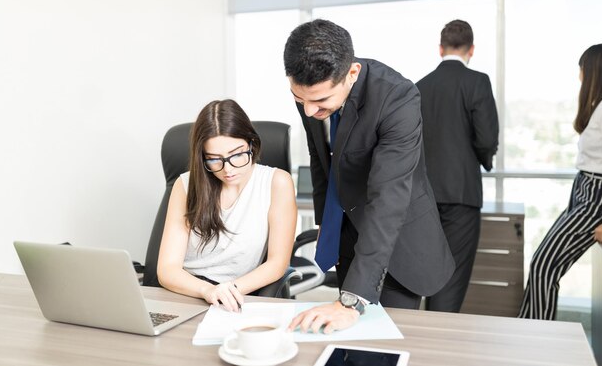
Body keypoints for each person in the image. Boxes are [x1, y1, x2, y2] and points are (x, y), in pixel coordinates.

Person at [284, 19, 455, 334]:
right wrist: (326, 225)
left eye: (320, 102)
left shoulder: (397, 98)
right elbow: (322, 160)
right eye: (300, 98)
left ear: (352, 74)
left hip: (395, 240)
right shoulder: (311, 93)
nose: (308, 111)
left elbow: (388, 198)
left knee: (384, 345)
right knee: (349, 341)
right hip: (347, 230)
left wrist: (353, 300)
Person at [157, 99, 297, 312]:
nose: (228, 169)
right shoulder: (185, 184)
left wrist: (227, 291)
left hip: (237, 295)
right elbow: (167, 269)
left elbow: (277, 263)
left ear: (252, 143)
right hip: (189, 292)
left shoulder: (276, 182)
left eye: (238, 154)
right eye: (214, 159)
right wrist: (207, 291)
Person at [519, 44, 602, 320]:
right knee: (541, 263)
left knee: (544, 266)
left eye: (581, 70)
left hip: (595, 196)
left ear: (593, 71)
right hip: (584, 190)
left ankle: (536, 339)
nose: (579, 77)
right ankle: (530, 332)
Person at [416, 19, 499, 313]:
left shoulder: (419, 87)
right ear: (471, 50)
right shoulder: (477, 82)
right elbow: (487, 138)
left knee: (421, 272)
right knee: (451, 279)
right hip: (462, 194)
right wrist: (483, 160)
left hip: (422, 196)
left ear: (440, 49)